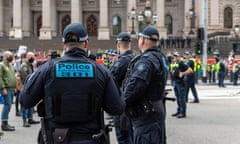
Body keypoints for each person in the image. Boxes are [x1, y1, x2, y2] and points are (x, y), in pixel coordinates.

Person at [19, 22, 125, 144]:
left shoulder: (47, 69)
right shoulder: (101, 71)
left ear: (64, 45)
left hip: (57, 138)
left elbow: (26, 101)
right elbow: (117, 108)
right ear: (86, 44)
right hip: (91, 138)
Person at [122, 25, 168, 144]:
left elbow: (135, 87)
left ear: (142, 40)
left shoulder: (146, 60)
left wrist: (120, 102)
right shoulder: (161, 57)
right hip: (156, 110)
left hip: (146, 115)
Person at [109, 32, 134, 144]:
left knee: (123, 137)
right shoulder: (135, 59)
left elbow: (110, 81)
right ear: (130, 44)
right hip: (132, 105)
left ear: (118, 45)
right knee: (131, 135)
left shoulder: (122, 61)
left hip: (121, 106)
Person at [19, 51, 40, 127]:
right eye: (31, 57)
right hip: (25, 87)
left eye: (33, 57)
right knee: (25, 104)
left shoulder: (30, 65)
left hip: (31, 86)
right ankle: (25, 121)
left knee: (31, 103)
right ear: (27, 57)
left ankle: (30, 118)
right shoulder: (24, 66)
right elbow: (26, 78)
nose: (33, 58)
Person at [170, 51, 192, 118]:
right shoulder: (174, 63)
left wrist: (182, 73)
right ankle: (179, 111)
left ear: (179, 57)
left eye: (176, 56)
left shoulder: (181, 63)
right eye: (174, 56)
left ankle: (183, 112)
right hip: (175, 82)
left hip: (180, 83)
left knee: (181, 98)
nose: (175, 57)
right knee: (178, 98)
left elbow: (190, 70)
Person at [0, 51, 16, 131]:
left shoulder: (10, 65)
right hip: (6, 88)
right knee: (7, 105)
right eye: (10, 56)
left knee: (9, 105)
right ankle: (4, 123)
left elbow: (12, 76)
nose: (11, 57)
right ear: (5, 56)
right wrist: (3, 88)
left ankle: (6, 122)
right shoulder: (1, 65)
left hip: (11, 88)